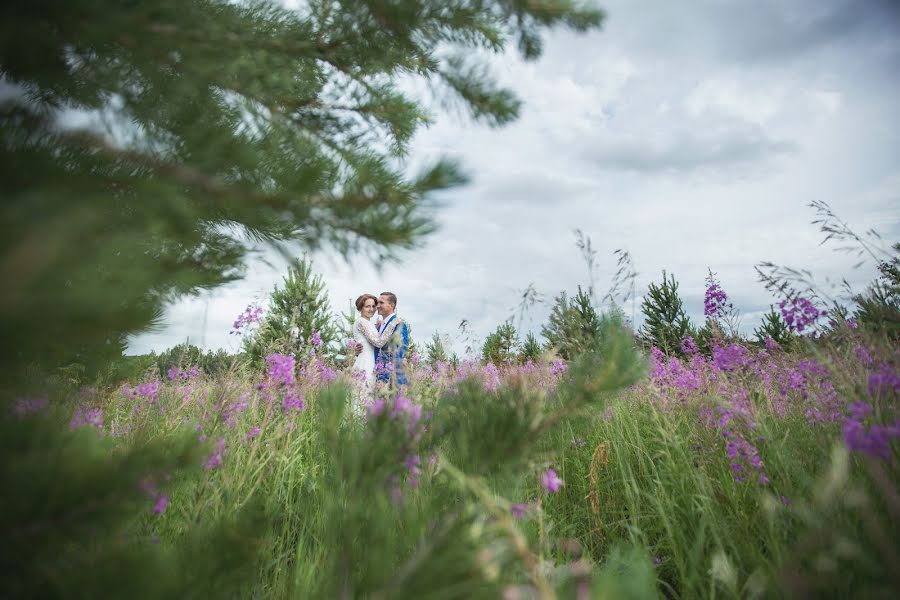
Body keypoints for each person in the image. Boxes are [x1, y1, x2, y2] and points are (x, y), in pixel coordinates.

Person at [351, 293, 401, 406]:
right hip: (365, 363)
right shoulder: (362, 322)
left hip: (370, 362)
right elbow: (378, 343)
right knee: (364, 397)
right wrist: (392, 324)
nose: (372, 309)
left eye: (373, 306)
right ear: (360, 307)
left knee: (368, 397)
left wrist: (378, 327)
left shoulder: (368, 323)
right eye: (367, 306)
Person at [374, 292, 410, 387]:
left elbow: (399, 352)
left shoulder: (399, 325)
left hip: (390, 380)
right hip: (375, 377)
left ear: (391, 305)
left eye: (381, 303)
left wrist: (384, 377)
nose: (377, 306)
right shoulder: (378, 326)